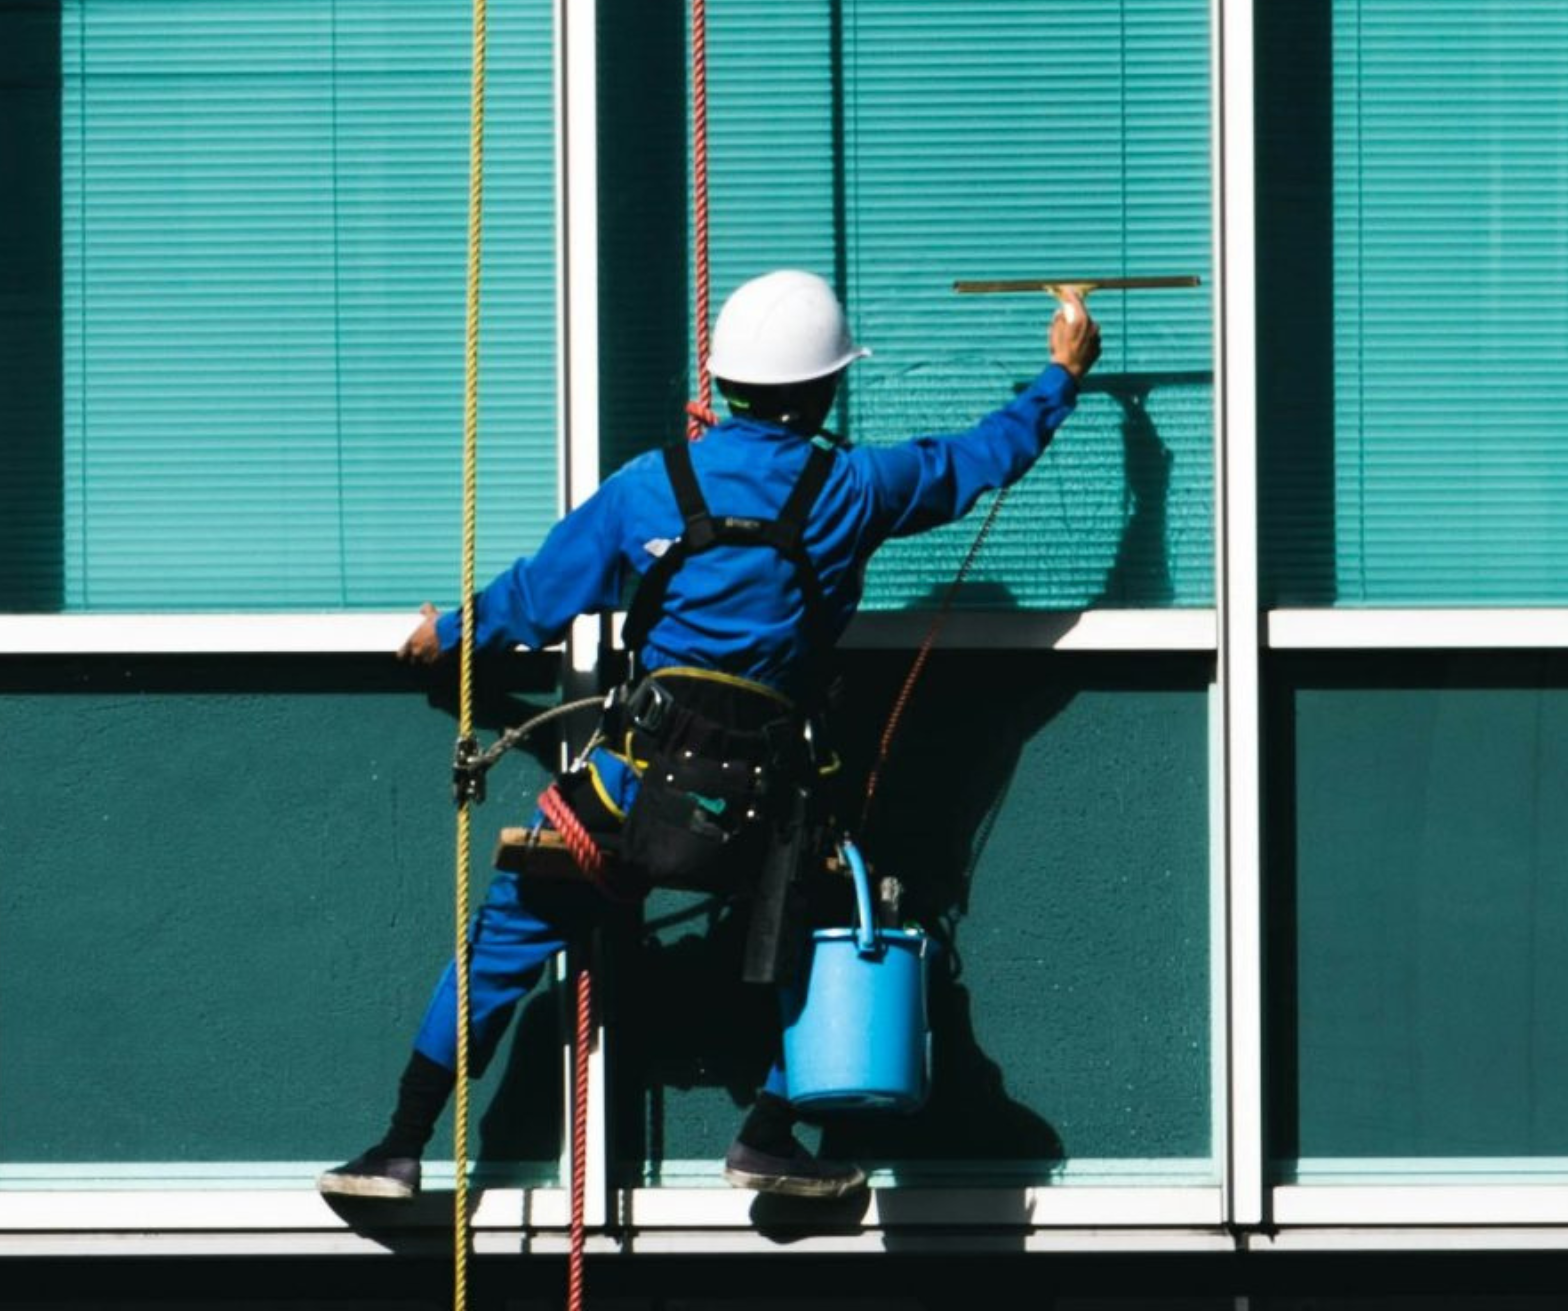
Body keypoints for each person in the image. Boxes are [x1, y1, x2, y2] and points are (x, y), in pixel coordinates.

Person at [319, 267, 1101, 1207]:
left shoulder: (650, 489)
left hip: (628, 785)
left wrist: (442, 634)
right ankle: (769, 1136)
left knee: (502, 946)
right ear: (824, 388)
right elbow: (980, 458)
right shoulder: (853, 487)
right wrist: (1063, 374)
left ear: (723, 384)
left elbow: (533, 597)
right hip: (764, 806)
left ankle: (399, 1148)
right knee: (829, 933)